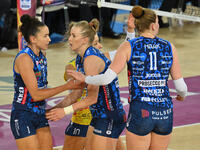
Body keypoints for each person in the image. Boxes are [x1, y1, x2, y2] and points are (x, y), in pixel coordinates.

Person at [67, 5, 188, 150]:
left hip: (141, 111)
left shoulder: (129, 46)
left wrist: (85, 78)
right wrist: (182, 96)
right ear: (153, 26)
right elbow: (181, 87)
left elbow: (106, 79)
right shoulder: (169, 47)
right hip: (165, 112)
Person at [46, 14, 135, 150]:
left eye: (73, 36)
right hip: (98, 116)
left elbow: (92, 98)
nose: (69, 39)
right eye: (70, 35)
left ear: (84, 40)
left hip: (109, 116)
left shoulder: (91, 59)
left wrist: (65, 111)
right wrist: (51, 111)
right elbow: (75, 95)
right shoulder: (80, 59)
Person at [10, 14, 82, 150]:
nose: (49, 39)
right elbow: (36, 94)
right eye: (45, 36)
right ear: (33, 39)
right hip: (23, 115)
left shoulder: (42, 55)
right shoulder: (24, 58)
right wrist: (67, 86)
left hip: (40, 113)